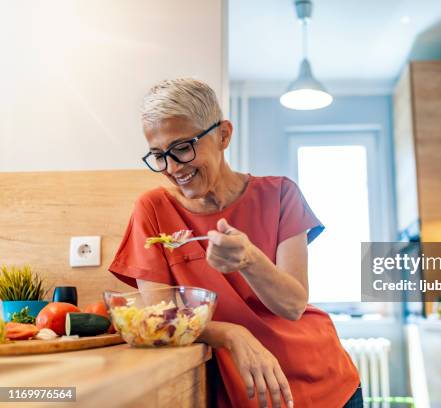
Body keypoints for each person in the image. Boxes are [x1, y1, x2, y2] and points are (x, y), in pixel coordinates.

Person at [108, 78, 362, 407]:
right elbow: (163, 319)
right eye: (159, 155)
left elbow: (293, 304)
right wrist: (230, 334)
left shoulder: (281, 194)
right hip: (247, 391)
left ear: (224, 135)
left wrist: (249, 260)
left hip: (327, 383)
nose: (172, 168)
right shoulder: (153, 209)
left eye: (183, 148)